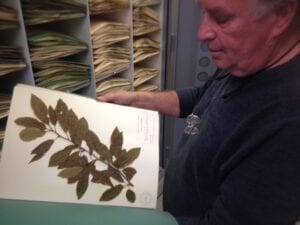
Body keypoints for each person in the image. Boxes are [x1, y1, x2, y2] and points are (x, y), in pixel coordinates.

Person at [98, 0, 300, 224]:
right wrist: (137, 100)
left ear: (282, 15)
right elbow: (203, 96)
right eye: (203, 13)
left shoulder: (288, 126)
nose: (201, 33)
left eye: (221, 18)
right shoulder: (250, 58)